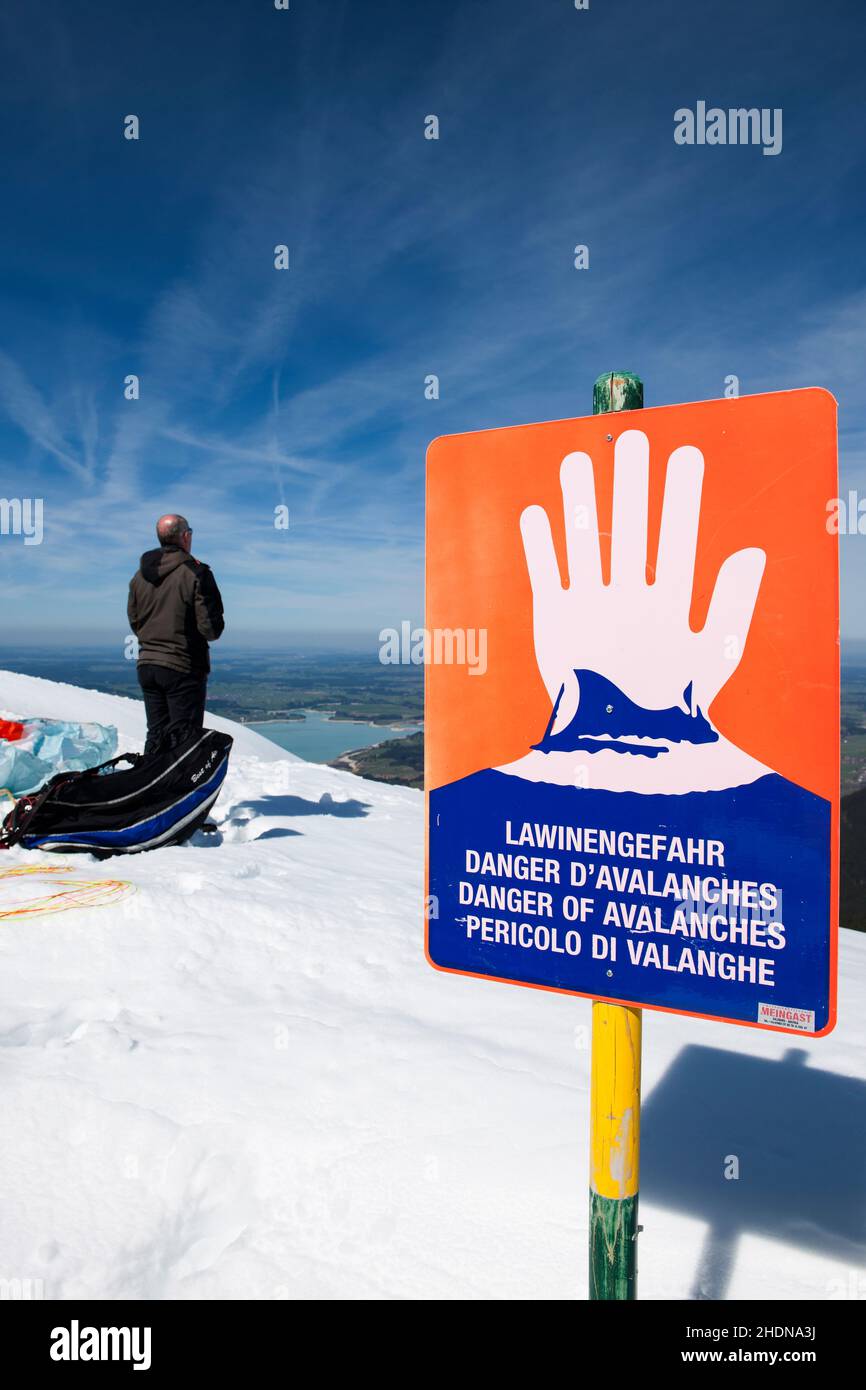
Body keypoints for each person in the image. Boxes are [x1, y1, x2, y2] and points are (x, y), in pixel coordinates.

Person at [127, 514, 225, 756]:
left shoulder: (139, 577)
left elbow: (135, 620)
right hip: (183, 665)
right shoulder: (197, 573)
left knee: (156, 734)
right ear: (185, 536)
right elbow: (211, 630)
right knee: (185, 738)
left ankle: (148, 787)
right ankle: (177, 791)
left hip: (147, 664)